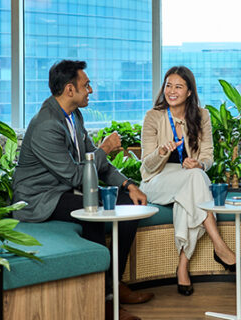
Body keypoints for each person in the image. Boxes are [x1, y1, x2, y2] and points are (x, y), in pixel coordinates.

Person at [12, 60, 152, 320]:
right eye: (86, 85)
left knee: (130, 205)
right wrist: (106, 148)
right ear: (69, 89)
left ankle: (113, 285)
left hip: (65, 191)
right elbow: (78, 175)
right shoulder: (46, 125)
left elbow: (94, 164)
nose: (90, 90)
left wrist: (128, 184)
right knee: (94, 210)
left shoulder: (73, 115)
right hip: (40, 199)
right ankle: (103, 299)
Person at [139, 66, 241, 296]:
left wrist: (199, 164)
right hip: (156, 182)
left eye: (178, 86)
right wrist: (160, 153)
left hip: (188, 180)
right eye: (168, 85)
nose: (172, 91)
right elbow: (146, 167)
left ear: (189, 92)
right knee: (195, 180)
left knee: (191, 186)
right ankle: (221, 248)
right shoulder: (153, 116)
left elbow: (208, 156)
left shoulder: (202, 116)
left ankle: (182, 266)